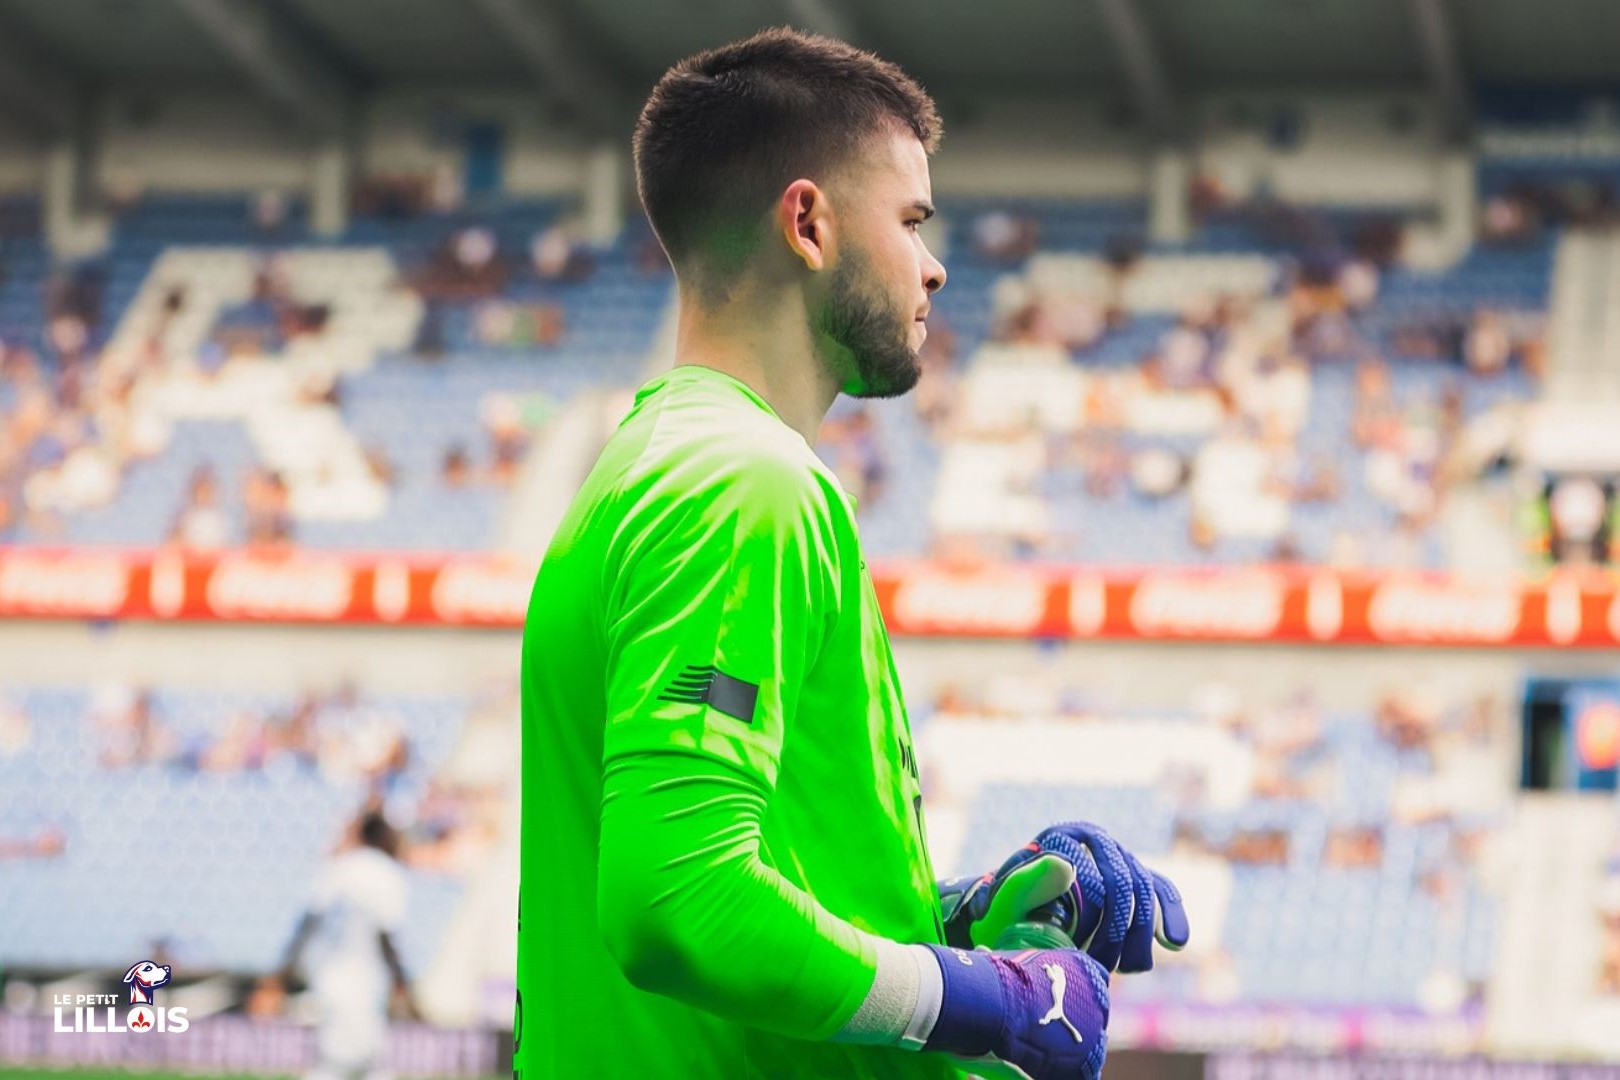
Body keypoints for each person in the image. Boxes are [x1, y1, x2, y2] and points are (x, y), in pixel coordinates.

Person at [517, 28, 1186, 1080]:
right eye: (913, 221)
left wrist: (965, 920)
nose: (935, 265)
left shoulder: (653, 465)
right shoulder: (743, 484)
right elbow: (674, 903)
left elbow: (752, 884)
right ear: (809, 222)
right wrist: (977, 1001)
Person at [269, 810, 419, 1080]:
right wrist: (401, 981)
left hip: (326, 973)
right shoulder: (386, 872)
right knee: (353, 1059)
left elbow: (307, 923)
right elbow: (386, 935)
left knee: (351, 1056)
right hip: (363, 977)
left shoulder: (338, 867)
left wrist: (283, 972)